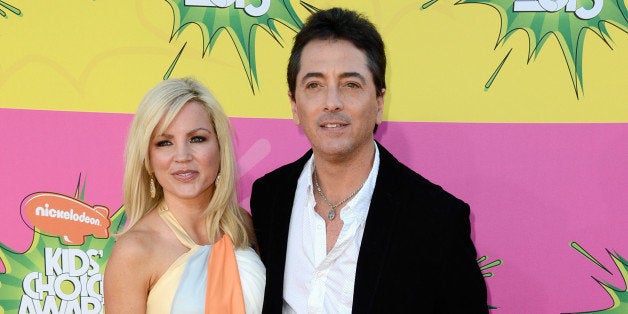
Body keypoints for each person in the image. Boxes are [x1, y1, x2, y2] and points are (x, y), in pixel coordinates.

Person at [250, 8, 488, 313]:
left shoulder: (436, 219)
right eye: (314, 85)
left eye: (351, 84)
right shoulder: (270, 196)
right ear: (294, 105)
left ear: (378, 102)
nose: (332, 102)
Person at [104, 77, 265, 313]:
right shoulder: (134, 251)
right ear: (148, 159)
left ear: (220, 148)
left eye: (197, 139)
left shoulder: (242, 225)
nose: (182, 156)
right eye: (164, 143)